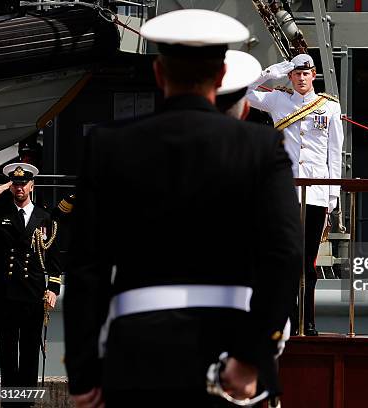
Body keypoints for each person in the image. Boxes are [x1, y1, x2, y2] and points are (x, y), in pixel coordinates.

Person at [63, 9, 302, 408]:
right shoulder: (261, 149)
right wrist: (251, 356)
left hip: (137, 356)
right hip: (231, 353)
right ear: (222, 76)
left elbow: (87, 267)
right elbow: (285, 254)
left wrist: (84, 375)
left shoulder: (108, 147)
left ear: (159, 74)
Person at [246, 53, 344, 336]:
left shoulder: (329, 108)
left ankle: (308, 320)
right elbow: (241, 92)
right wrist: (269, 72)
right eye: (296, 74)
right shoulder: (278, 100)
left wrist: (332, 198)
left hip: (315, 193)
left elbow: (333, 154)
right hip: (285, 193)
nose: (301, 78)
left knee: (308, 263)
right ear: (290, 76)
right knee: (285, 258)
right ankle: (288, 318)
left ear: (314, 75)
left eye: (306, 73)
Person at [0, 163, 61, 408]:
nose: (19, 188)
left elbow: (54, 257)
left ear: (32, 185)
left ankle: (25, 404)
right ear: (10, 187)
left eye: (24, 184)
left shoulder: (44, 216)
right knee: (7, 351)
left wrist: (53, 288)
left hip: (33, 292)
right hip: (4, 290)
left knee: (28, 352)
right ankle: (10, 404)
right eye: (15, 184)